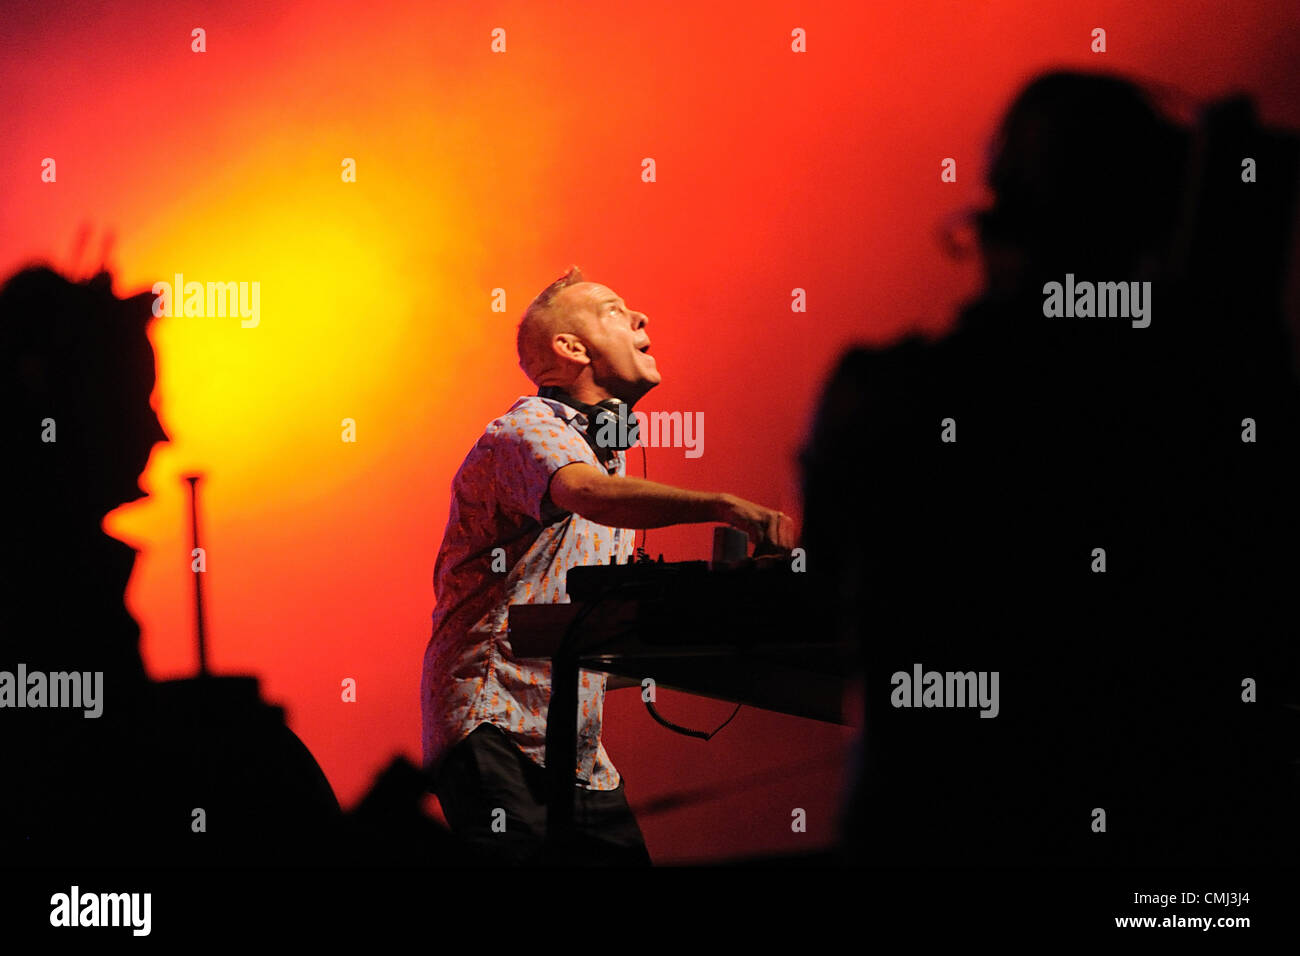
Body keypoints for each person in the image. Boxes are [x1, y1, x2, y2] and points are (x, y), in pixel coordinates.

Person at [800, 71, 1300, 866]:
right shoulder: (1203, 404)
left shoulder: (883, 396)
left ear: (998, 222)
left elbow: (826, 608)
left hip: (927, 833)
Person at [421, 265, 795, 865]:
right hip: (494, 729)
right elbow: (586, 495)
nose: (642, 318)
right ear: (570, 348)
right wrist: (727, 507)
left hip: (574, 750)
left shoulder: (606, 455)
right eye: (616, 311)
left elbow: (592, 631)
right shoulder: (525, 430)